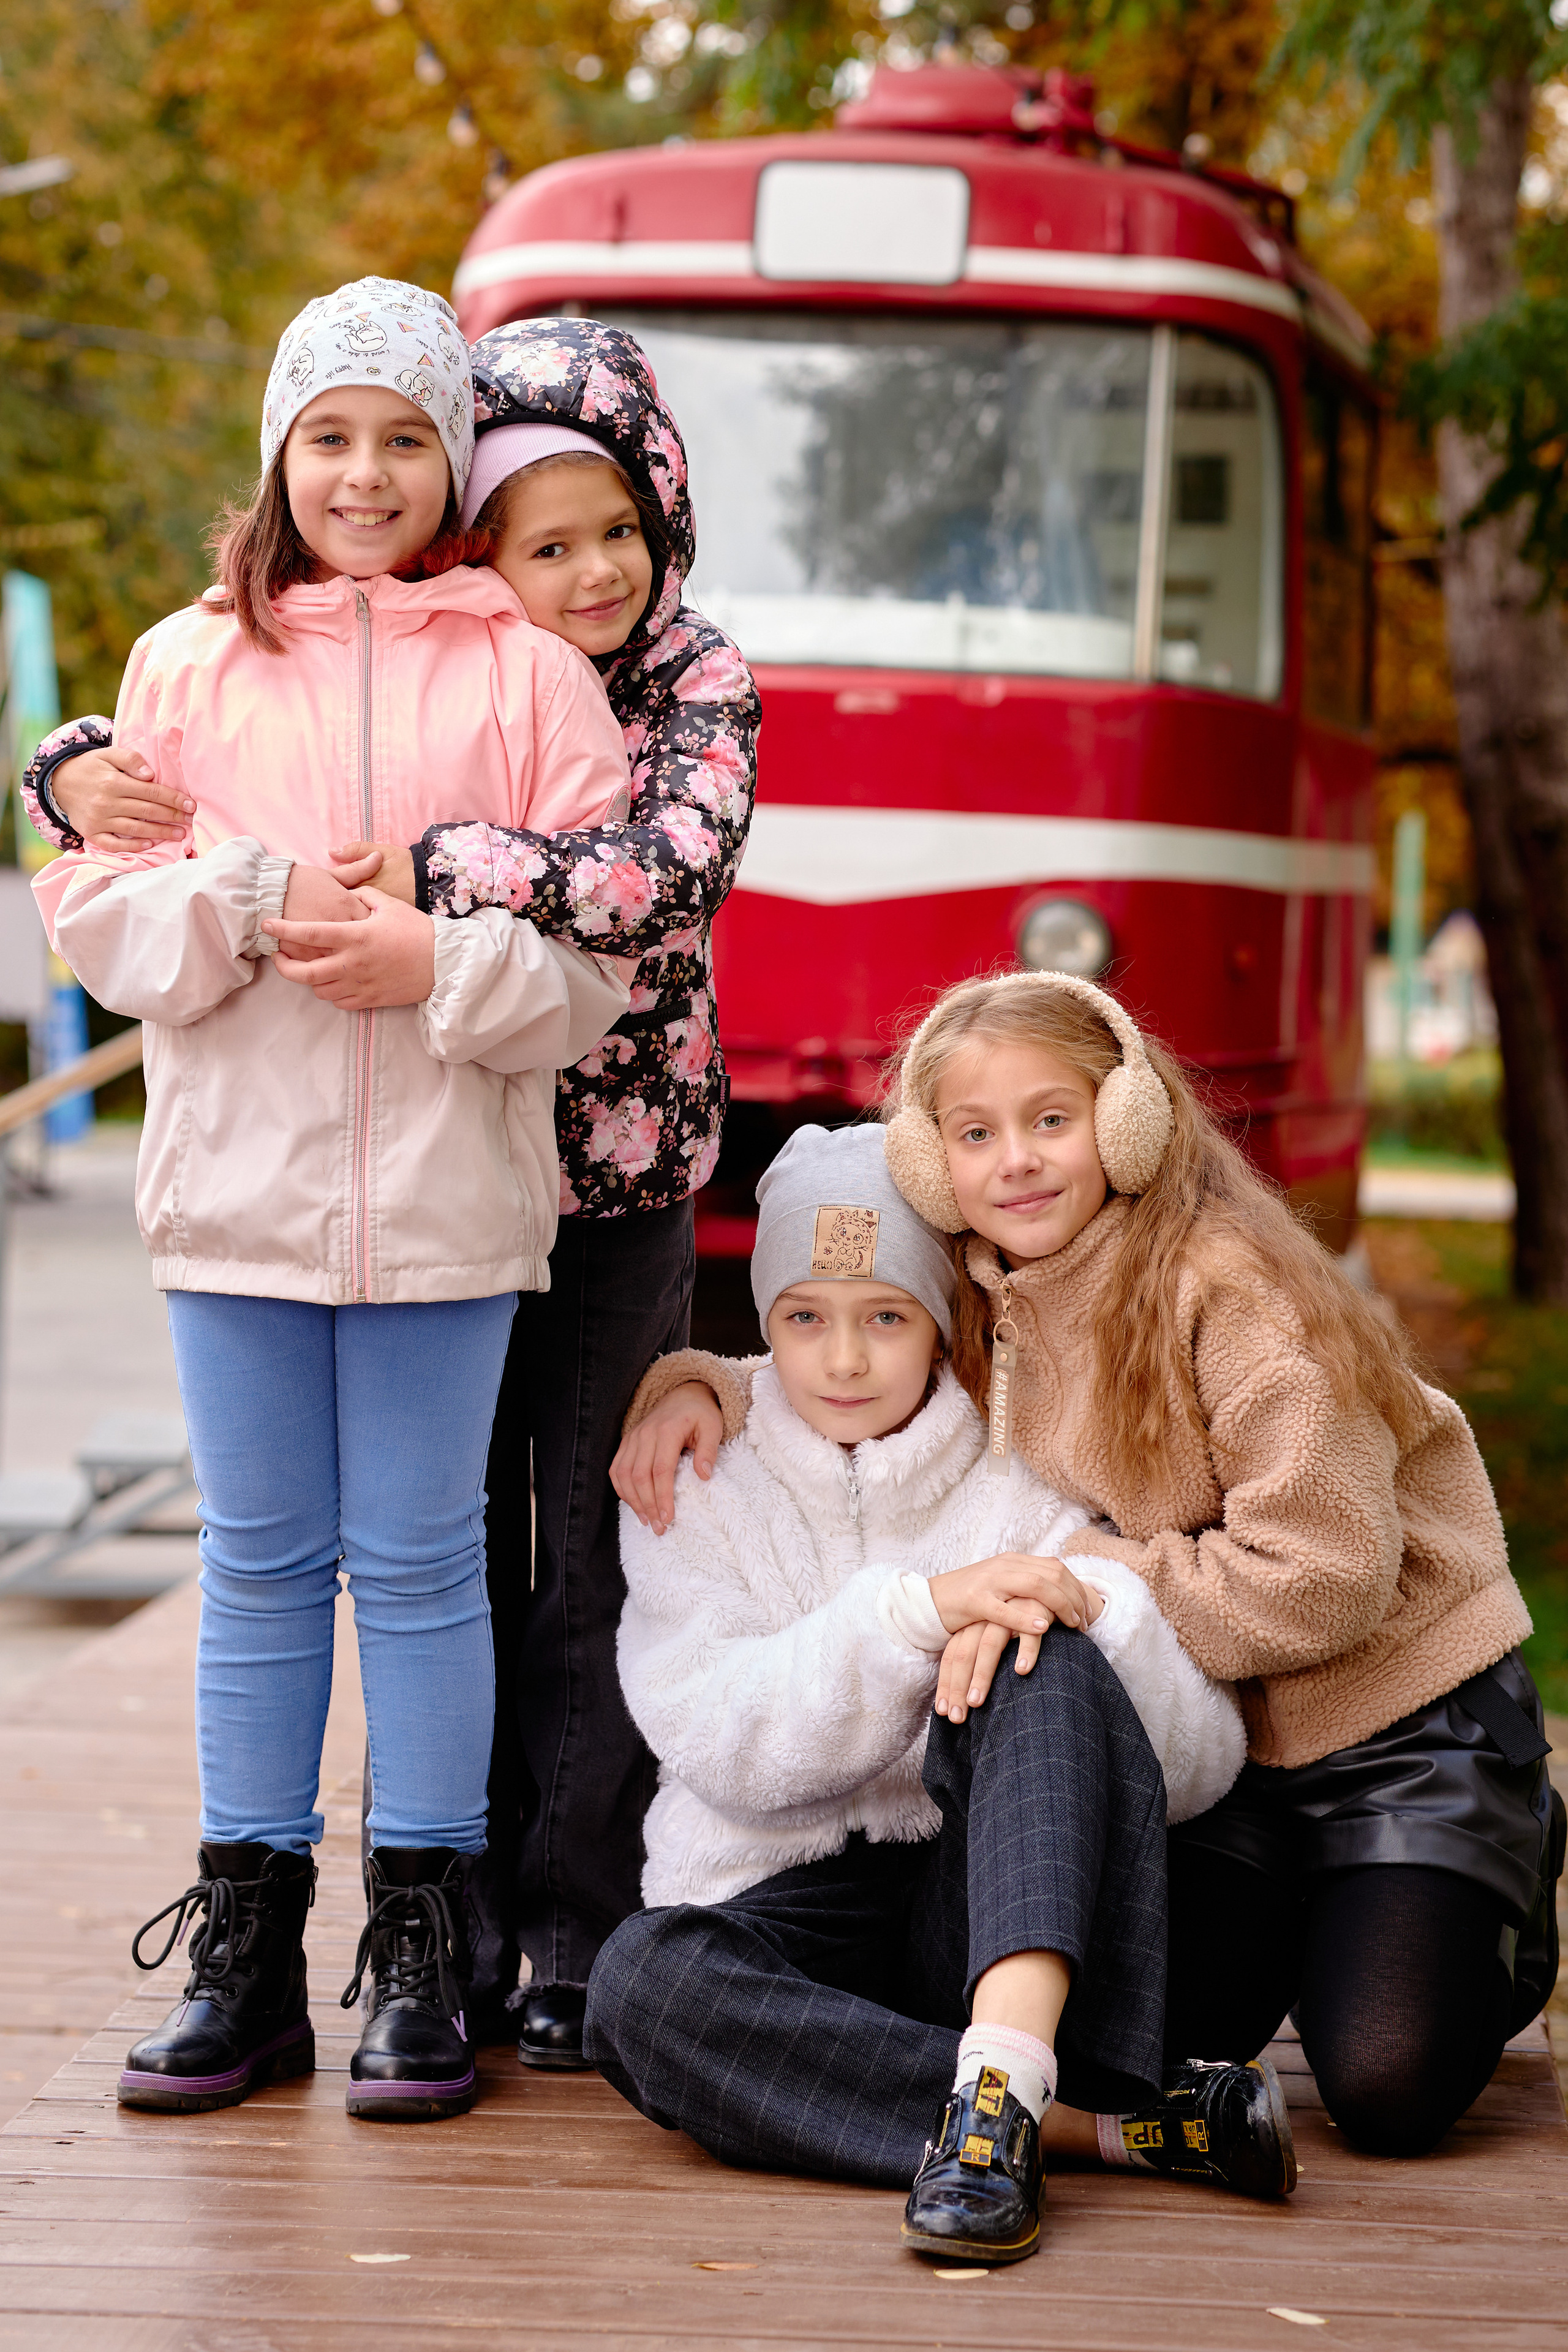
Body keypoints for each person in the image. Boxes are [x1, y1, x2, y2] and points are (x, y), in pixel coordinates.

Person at [23, 318, 761, 2071]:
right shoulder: (184, 665)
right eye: (328, 436)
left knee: (431, 1566)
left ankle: (426, 1953)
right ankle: (246, 1953)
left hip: (451, 1204)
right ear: (279, 452)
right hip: (236, 1204)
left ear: (453, 473)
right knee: (261, 1567)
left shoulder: (528, 675)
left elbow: (584, 977)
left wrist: (433, 960)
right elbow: (100, 916)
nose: (363, 474)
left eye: (406, 442)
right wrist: (231, 903)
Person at [612, 970, 1564, 2163]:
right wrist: (693, 1385)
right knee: (1163, 2027)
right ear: (931, 1164)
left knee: (1384, 2085)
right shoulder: (987, 1291)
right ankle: (1076, 2125)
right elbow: (838, 1328)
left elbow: (1324, 1573)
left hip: (1395, 1729)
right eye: (974, 1133)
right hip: (1223, 1751)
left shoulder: (1233, 1288)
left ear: (1124, 1120)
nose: (1014, 1161)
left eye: (1048, 1121)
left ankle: (1493, 1873)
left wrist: (1083, 1573)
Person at [587, 1120, 1292, 2264]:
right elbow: (713, 1731)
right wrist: (916, 1618)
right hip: (787, 1898)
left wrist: (1087, 1611)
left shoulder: (1029, 1460)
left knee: (1043, 1646)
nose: (844, 1360)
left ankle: (1000, 2091)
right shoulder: (701, 1474)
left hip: (1000, 1898)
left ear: (944, 1319)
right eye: (804, 1317)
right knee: (641, 1989)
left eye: (886, 1317)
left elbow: (1202, 1756)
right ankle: (1087, 2129)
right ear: (764, 1321)